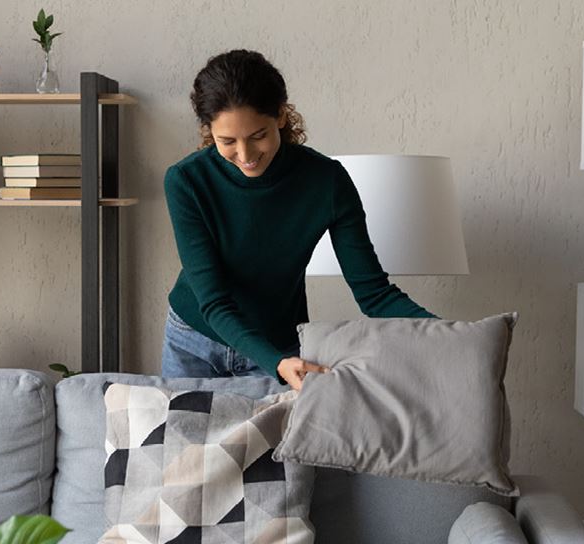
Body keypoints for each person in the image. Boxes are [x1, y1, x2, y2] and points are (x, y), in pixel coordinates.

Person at [161, 49, 437, 390]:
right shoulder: (186, 181)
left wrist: (449, 334)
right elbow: (214, 302)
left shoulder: (327, 181)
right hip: (193, 340)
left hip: (278, 346)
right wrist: (276, 362)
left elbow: (374, 293)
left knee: (275, 445)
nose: (245, 156)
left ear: (280, 115)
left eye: (258, 135)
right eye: (227, 141)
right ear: (209, 131)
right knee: (180, 445)